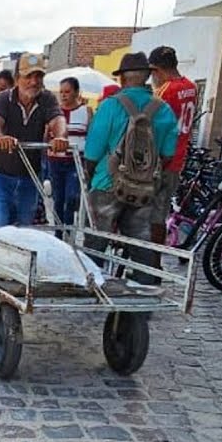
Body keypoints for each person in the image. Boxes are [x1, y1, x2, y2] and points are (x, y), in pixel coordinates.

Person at [83, 52, 178, 285]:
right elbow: (168, 154)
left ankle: (89, 282)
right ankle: (146, 281)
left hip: (107, 182)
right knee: (140, 237)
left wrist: (90, 174)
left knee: (97, 238)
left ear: (122, 79)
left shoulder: (110, 106)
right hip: (145, 187)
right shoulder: (163, 109)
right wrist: (143, 173)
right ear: (147, 77)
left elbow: (93, 150)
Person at [0, 53, 68, 229]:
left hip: (29, 176)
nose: (33, 81)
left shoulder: (47, 99)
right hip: (0, 174)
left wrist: (60, 136)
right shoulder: (3, 98)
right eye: (28, 76)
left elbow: (57, 119)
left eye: (38, 76)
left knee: (24, 230)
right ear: (17, 79)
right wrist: (0, 138)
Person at [149, 45, 198, 244]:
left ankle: (150, 262)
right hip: (178, 158)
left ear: (156, 70)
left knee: (151, 216)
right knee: (161, 211)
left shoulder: (165, 91)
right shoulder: (191, 87)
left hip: (161, 160)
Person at [46, 76, 90, 228]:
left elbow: (90, 136)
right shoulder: (53, 113)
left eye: (67, 91)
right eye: (61, 92)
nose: (64, 95)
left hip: (75, 162)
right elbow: (45, 136)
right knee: (58, 198)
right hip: (55, 161)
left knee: (71, 197)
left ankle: (69, 230)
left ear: (76, 92)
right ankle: (59, 233)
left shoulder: (86, 111)